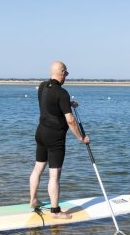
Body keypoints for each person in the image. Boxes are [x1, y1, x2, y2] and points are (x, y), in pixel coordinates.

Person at [29, 60, 89, 219]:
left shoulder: (42, 86)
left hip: (40, 133)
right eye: (66, 73)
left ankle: (33, 200)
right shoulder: (62, 93)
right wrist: (81, 138)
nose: (66, 76)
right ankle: (55, 211)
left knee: (38, 169)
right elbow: (70, 121)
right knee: (54, 175)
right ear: (61, 73)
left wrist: (68, 104)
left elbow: (49, 105)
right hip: (55, 138)